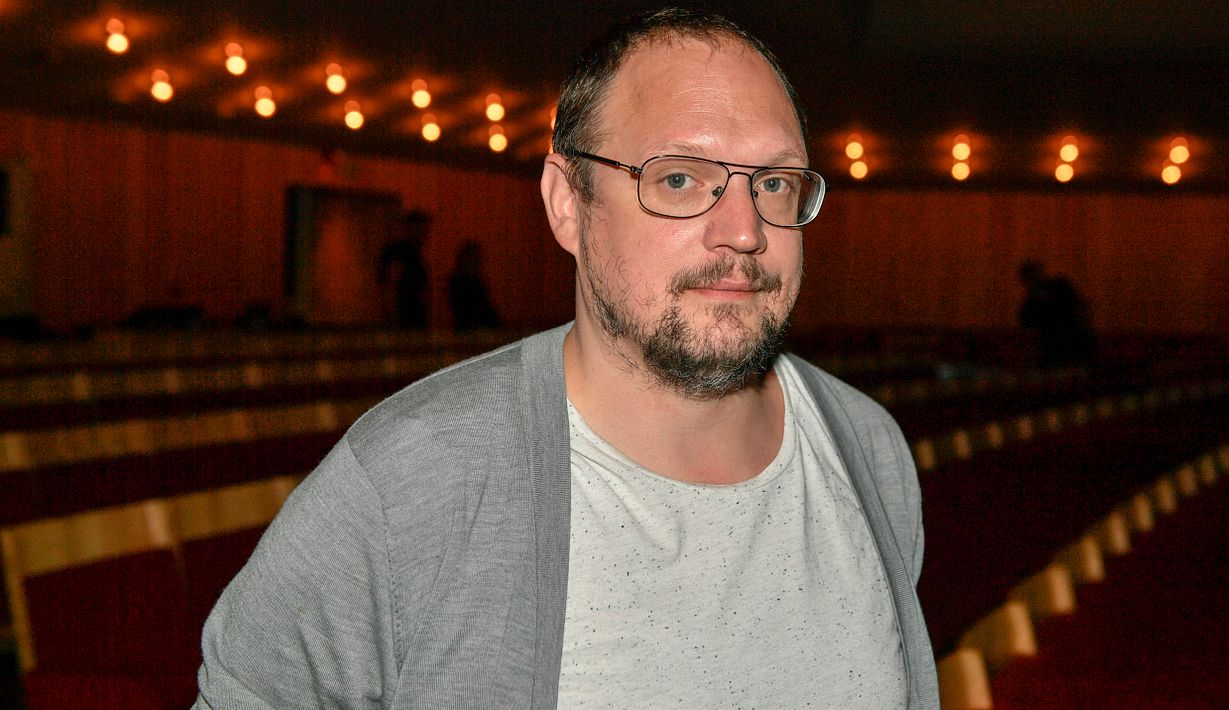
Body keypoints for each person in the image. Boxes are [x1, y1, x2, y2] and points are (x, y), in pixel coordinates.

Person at [196, 9, 939, 708]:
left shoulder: (867, 450)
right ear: (567, 204)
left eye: (773, 183)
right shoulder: (413, 482)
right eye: (680, 178)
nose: (744, 231)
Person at [1018, 258, 1095, 365]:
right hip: (1055, 348)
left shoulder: (1060, 287)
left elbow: (1081, 308)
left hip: (1072, 342)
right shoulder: (1029, 305)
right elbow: (1029, 332)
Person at [376, 210, 431, 329]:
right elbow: (390, 284)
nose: (423, 234)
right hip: (406, 313)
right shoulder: (401, 252)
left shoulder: (413, 253)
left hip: (412, 311)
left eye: (424, 230)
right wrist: (391, 312)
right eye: (419, 229)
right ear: (409, 229)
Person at [447, 240, 501, 330]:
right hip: (469, 328)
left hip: (475, 327)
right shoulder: (459, 281)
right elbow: (463, 309)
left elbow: (484, 305)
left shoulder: (475, 280)